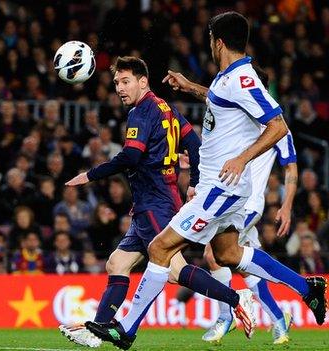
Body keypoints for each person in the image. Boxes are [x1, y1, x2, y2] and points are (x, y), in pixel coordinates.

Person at [86, 12, 326, 350]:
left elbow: (278, 126)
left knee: (159, 247)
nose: (209, 44)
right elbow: (220, 101)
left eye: (211, 38)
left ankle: (125, 329)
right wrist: (190, 87)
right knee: (228, 254)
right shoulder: (227, 79)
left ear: (220, 42)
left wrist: (243, 158)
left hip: (221, 187)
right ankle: (306, 288)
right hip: (224, 187)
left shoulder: (244, 79)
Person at [60, 56, 254, 348]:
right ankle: (97, 330)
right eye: (116, 83)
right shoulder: (168, 108)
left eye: (126, 81)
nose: (120, 88)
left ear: (143, 81)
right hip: (150, 204)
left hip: (155, 205)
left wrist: (90, 174)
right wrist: (195, 184)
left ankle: (237, 298)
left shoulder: (141, 112)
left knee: (175, 271)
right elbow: (194, 145)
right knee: (117, 263)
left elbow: (131, 156)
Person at [201, 69, 300, 344]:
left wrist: (287, 204)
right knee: (246, 265)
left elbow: (291, 167)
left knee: (214, 253)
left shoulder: (277, 128)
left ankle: (226, 315)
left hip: (247, 204)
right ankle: (279, 320)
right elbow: (212, 98)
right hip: (233, 197)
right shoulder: (238, 118)